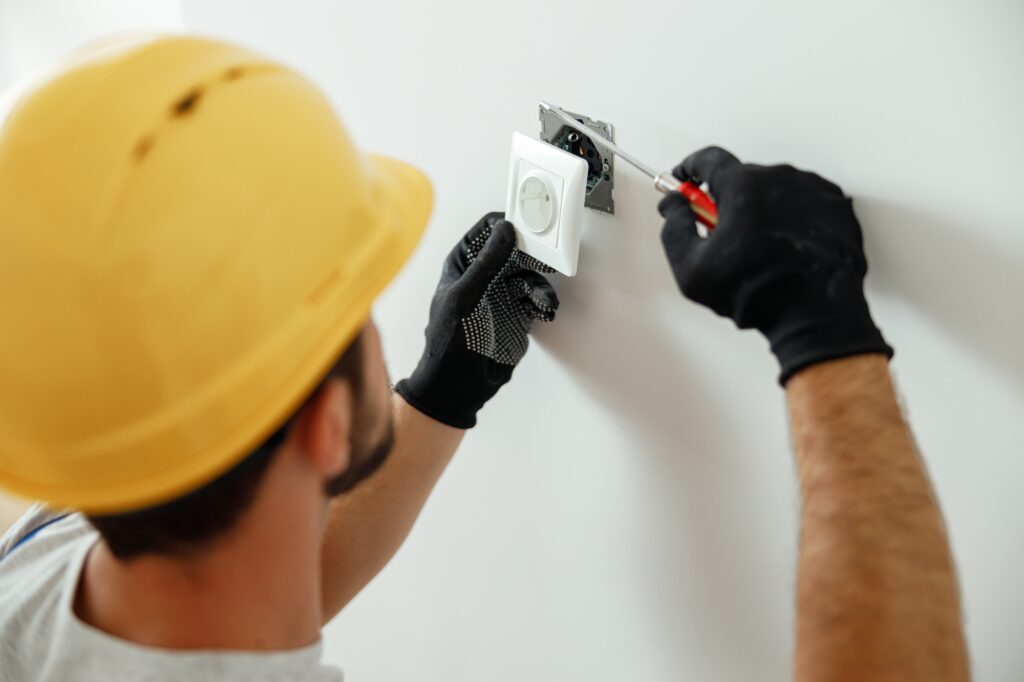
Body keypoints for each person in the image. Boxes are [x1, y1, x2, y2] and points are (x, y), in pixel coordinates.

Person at [0, 36, 968, 682]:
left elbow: (247, 582)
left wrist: (443, 389)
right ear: (326, 422)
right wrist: (820, 332)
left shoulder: (35, 584)